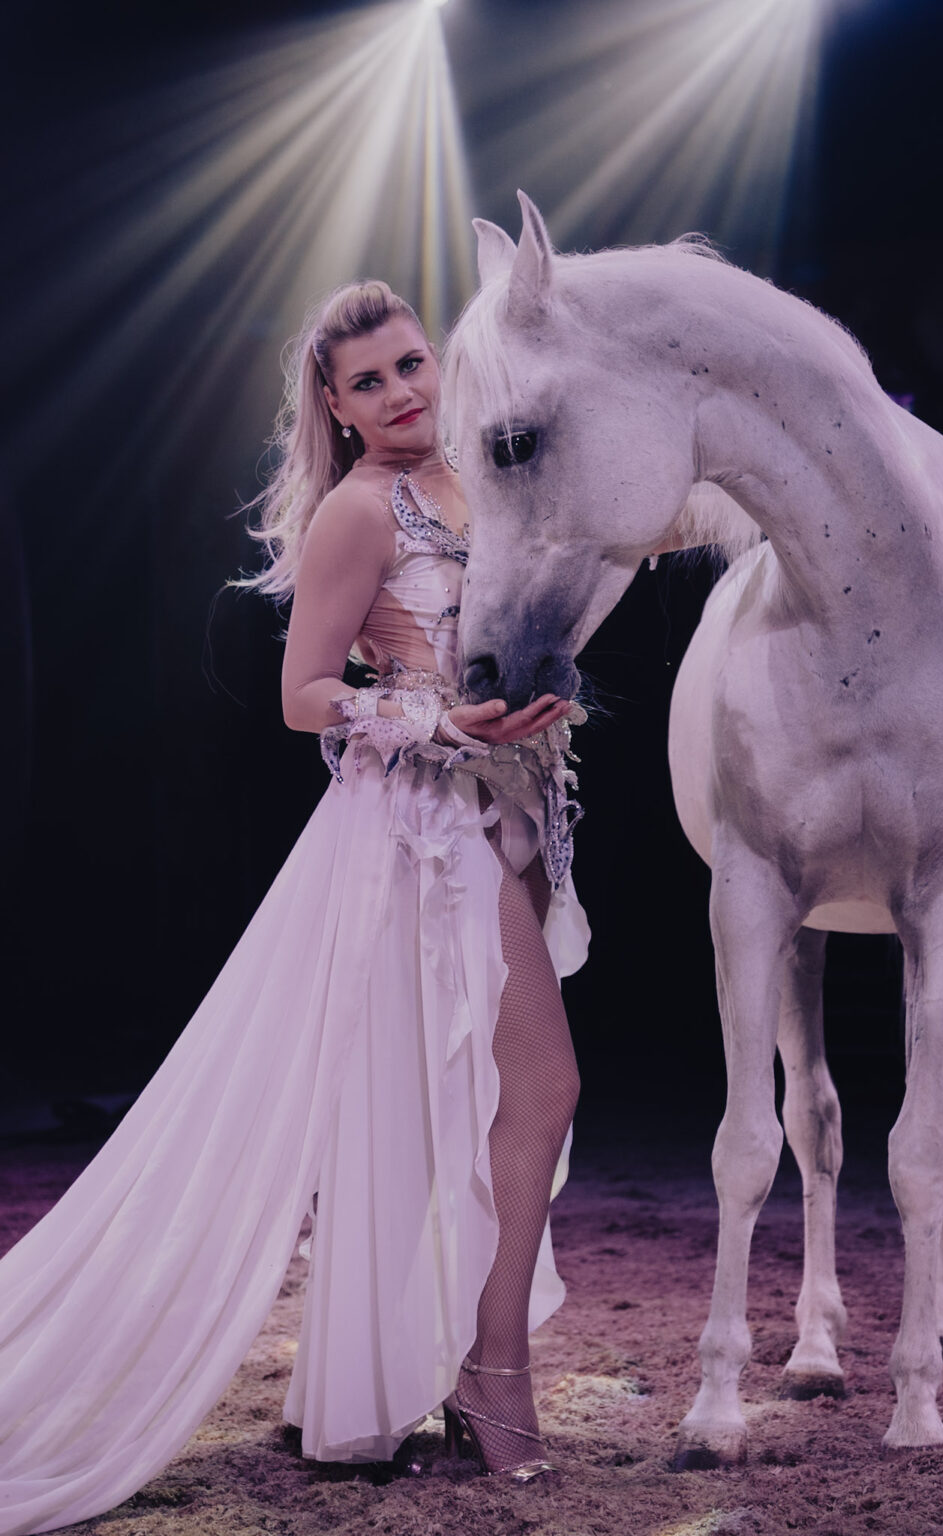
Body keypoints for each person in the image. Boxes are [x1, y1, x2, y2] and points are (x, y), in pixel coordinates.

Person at [0, 282, 589, 1535]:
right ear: (335, 404)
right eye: (369, 381)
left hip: (506, 811)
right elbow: (304, 692)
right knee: (541, 1088)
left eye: (411, 363)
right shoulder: (358, 510)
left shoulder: (479, 482)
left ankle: (418, 1367)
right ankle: (493, 1377)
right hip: (422, 832)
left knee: (460, 1106)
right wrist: (439, 720)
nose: (401, 391)